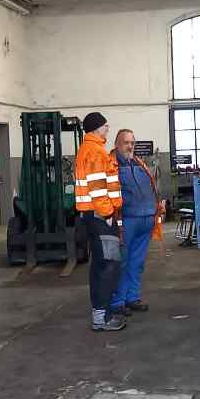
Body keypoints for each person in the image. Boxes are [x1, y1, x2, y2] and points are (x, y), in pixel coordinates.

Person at [74, 112, 126, 332]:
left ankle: (101, 314)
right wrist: (108, 214)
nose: (108, 128)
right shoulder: (95, 152)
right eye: (105, 125)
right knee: (108, 265)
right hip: (100, 217)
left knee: (101, 264)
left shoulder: (89, 149)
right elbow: (97, 189)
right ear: (96, 128)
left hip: (94, 217)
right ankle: (101, 318)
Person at [110, 130, 164, 316]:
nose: (130, 146)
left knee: (137, 262)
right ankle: (118, 301)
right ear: (117, 144)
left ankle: (132, 298)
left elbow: (151, 187)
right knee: (122, 262)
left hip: (146, 219)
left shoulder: (139, 163)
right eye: (126, 142)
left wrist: (157, 207)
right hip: (126, 221)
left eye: (132, 142)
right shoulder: (111, 165)